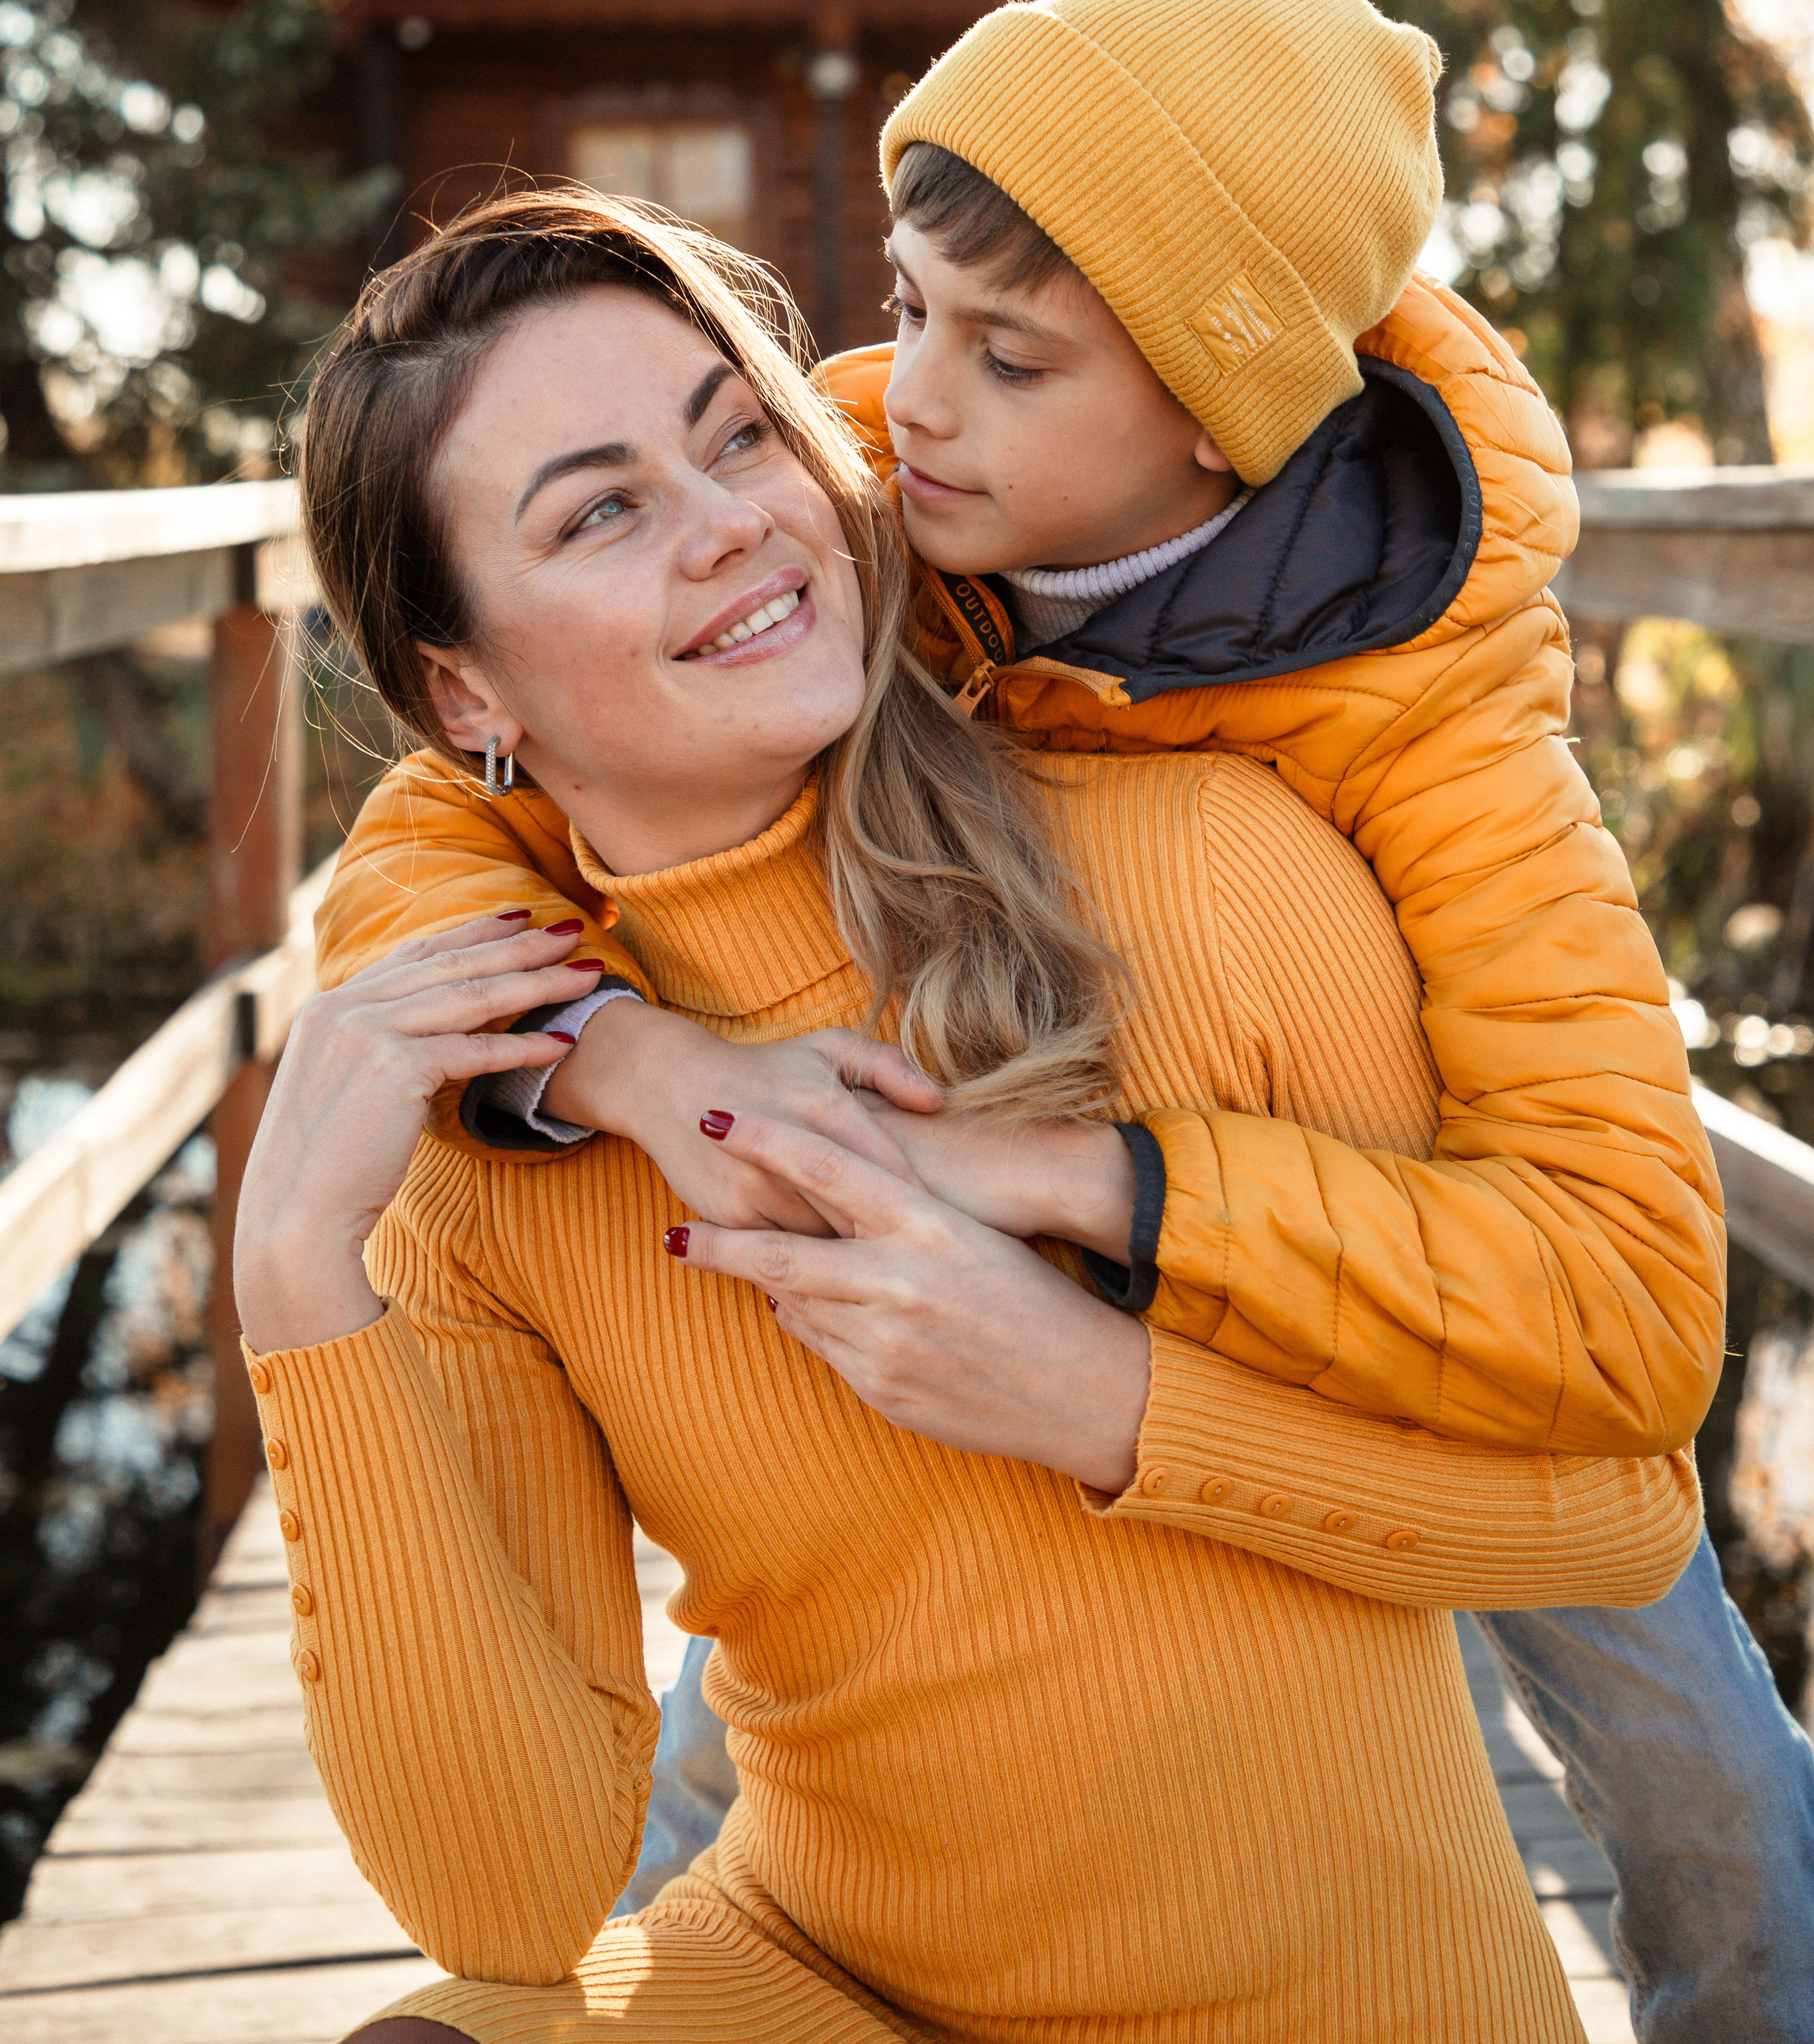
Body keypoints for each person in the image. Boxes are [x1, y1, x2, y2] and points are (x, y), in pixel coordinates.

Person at [238, 188, 1701, 2044]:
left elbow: (1617, 1529)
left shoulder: (1210, 877)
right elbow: (510, 1906)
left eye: (738, 433)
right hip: (823, 1979)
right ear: (464, 690)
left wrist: (1106, 1402)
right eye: (600, 511)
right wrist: (297, 1279)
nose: (731, 523)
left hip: (1341, 2000)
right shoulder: (509, 1137)